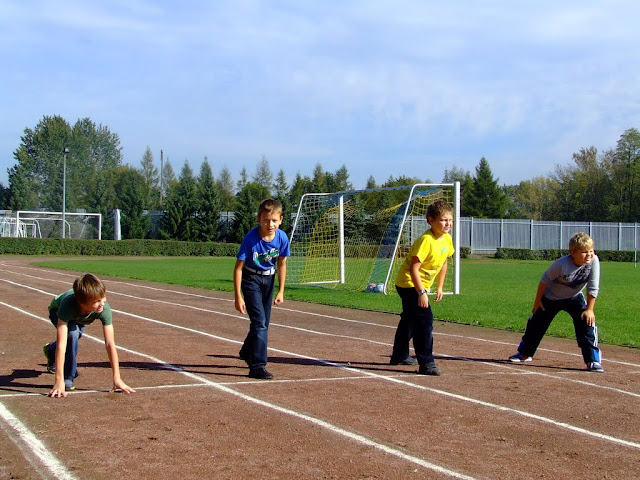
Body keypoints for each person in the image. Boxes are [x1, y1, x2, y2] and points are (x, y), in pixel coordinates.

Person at [508, 232, 603, 372]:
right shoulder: (561, 264)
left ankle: (593, 360)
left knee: (586, 323)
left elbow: (593, 287)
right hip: (551, 298)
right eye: (584, 252)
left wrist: (589, 310)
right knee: (536, 325)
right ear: (573, 252)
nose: (589, 254)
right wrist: (538, 301)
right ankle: (525, 353)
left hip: (574, 297)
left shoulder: (594, 261)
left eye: (591, 251)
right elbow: (544, 281)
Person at [389, 199, 455, 376]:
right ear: (431, 220)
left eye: (450, 220)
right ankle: (426, 363)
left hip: (419, 285)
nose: (448, 224)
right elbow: (413, 269)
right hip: (409, 283)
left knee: (410, 320)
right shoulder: (426, 240)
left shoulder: (447, 239)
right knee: (424, 321)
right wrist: (421, 292)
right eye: (443, 220)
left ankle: (399, 355)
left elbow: (444, 262)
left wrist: (440, 287)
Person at [43, 273, 135, 397]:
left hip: (82, 316)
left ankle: (50, 350)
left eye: (103, 298)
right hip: (58, 310)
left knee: (73, 337)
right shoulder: (67, 305)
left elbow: (110, 343)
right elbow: (62, 344)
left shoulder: (103, 309)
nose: (102, 303)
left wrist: (117, 378)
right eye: (97, 301)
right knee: (72, 335)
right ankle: (68, 377)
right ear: (82, 302)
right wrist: (59, 381)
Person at [234, 198, 290, 380]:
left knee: (263, 322)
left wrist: (281, 291)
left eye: (274, 220)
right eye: (266, 220)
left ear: (280, 220)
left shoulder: (282, 238)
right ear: (259, 219)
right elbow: (238, 268)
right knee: (260, 323)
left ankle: (246, 351)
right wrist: (238, 296)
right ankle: (257, 366)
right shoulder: (251, 239)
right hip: (251, 279)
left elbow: (282, 263)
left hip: (269, 280)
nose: (270, 224)